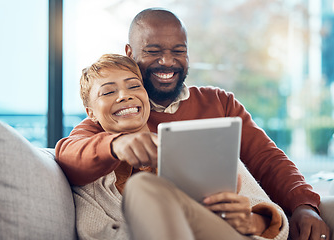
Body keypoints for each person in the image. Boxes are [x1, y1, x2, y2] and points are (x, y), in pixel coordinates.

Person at [55, 8, 331, 240]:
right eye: (153, 51)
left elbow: (266, 159)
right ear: (130, 53)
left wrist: (303, 204)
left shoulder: (219, 105)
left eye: (179, 51)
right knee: (145, 189)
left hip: (225, 226)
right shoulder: (111, 122)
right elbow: (69, 154)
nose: (167, 61)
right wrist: (118, 143)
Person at [71, 53, 288, 239]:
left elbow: (276, 226)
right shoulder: (92, 176)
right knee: (142, 186)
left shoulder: (200, 147)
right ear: (91, 113)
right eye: (108, 92)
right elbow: (95, 233)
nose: (124, 95)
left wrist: (250, 222)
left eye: (134, 86)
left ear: (145, 95)